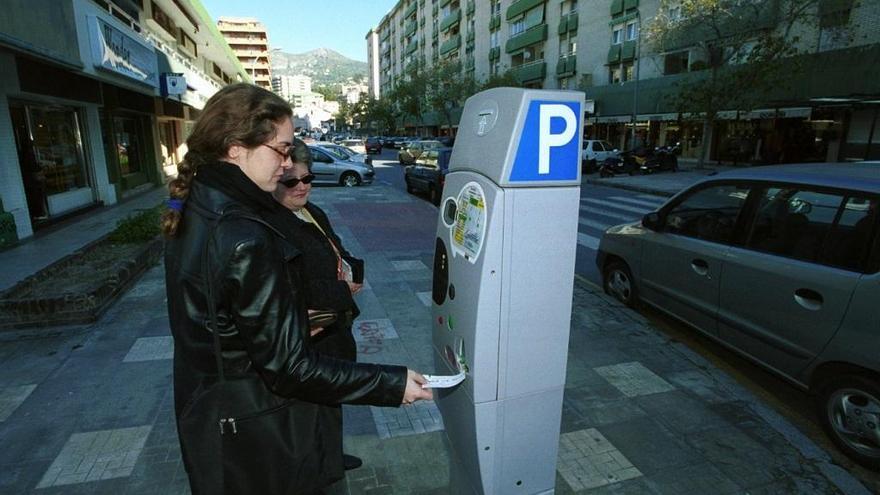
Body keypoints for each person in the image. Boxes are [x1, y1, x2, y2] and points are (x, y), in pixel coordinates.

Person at [161, 83, 432, 494]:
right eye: (282, 150)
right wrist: (392, 384)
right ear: (236, 146)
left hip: (213, 418)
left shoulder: (196, 205)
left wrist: (277, 320)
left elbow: (216, 320)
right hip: (258, 432)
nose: (287, 165)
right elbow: (290, 368)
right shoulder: (244, 234)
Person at [271, 139, 366, 471]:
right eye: (291, 182)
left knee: (332, 399)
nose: (302, 187)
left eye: (307, 179)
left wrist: (356, 267)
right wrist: (343, 289)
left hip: (336, 326)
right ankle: (318, 467)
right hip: (314, 335)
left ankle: (331, 455)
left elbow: (335, 247)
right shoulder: (273, 226)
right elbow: (296, 288)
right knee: (312, 405)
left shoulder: (312, 211)